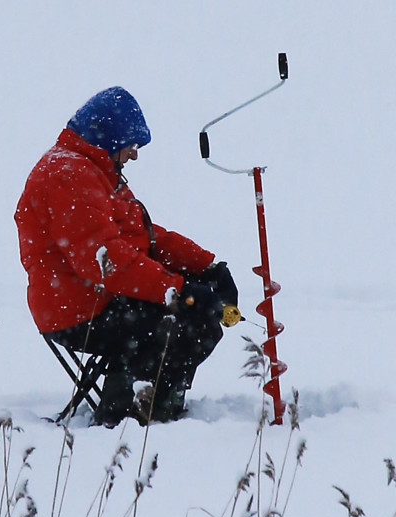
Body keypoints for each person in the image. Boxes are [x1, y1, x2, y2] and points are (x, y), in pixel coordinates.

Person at [15, 86, 239, 426]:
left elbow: (144, 236)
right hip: (77, 309)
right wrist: (179, 290)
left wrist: (206, 266)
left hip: (98, 298)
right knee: (187, 317)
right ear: (109, 138)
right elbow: (108, 261)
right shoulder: (68, 175)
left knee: (194, 304)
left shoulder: (94, 171)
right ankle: (133, 415)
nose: (134, 155)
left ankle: (142, 400)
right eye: (131, 146)